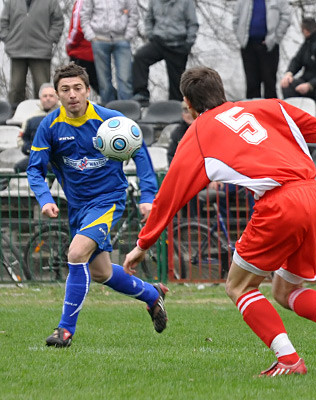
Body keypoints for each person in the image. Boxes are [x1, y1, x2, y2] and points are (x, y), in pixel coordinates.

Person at [124, 66, 316, 376]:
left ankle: (288, 360)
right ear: (223, 92)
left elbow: (170, 194)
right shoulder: (268, 105)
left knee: (238, 286)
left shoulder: (198, 133)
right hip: (314, 196)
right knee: (286, 290)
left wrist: (143, 243)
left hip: (279, 203)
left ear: (188, 104)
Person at [27, 63, 167, 348]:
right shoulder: (50, 126)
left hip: (108, 201)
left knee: (76, 252)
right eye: (65, 89)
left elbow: (141, 154)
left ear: (88, 90)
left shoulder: (111, 121)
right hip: (77, 206)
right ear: (57, 94)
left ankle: (64, 331)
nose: (72, 94)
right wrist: (45, 198)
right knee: (102, 272)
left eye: (78, 88)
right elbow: (34, 170)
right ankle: (152, 295)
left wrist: (147, 196)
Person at [132, 0, 199, 105]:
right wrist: (150, 34)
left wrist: (188, 44)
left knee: (177, 81)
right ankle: (141, 93)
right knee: (140, 57)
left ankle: (175, 105)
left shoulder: (186, 2)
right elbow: (149, 19)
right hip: (159, 42)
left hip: (178, 44)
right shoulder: (154, 2)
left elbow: (193, 24)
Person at [0, 0, 64, 109]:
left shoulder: (50, 2)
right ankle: (14, 116)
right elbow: (3, 22)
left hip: (41, 52)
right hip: (17, 51)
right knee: (16, 89)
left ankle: (44, 117)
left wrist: (50, 40)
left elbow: (58, 21)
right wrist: (8, 39)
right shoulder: (11, 1)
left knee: (43, 88)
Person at [80, 0, 139, 105]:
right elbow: (84, 15)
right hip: (99, 40)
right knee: (104, 81)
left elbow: (133, 13)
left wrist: (128, 35)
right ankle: (108, 112)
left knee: (125, 78)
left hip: (122, 40)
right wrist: (92, 36)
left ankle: (127, 111)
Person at [233, 0, 292, 99]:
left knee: (270, 82)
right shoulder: (242, 2)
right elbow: (235, 20)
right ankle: (253, 112)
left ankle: (271, 112)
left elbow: (286, 17)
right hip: (248, 46)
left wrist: (275, 38)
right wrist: (241, 38)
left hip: (269, 47)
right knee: (251, 83)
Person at [280, 17, 316, 111]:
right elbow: (297, 60)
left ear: (305, 31)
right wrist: (289, 73)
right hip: (307, 80)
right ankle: (292, 117)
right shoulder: (309, 42)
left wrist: (310, 85)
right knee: (289, 85)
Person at [14, 83, 59, 173]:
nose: (48, 98)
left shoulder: (66, 114)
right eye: (45, 96)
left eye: (51, 96)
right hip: (37, 156)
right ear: (40, 98)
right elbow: (22, 139)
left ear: (57, 97)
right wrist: (29, 148)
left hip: (59, 157)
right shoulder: (31, 118)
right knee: (18, 167)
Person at [66, 0, 100, 95]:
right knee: (100, 84)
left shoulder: (82, 2)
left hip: (81, 52)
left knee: (76, 86)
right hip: (96, 50)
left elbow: (77, 27)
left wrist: (70, 43)